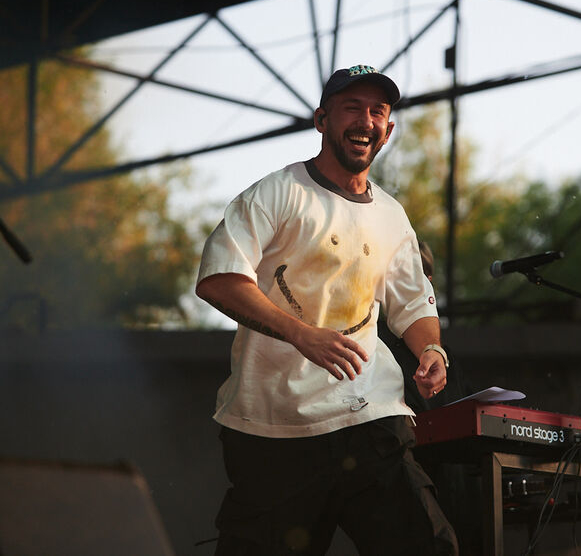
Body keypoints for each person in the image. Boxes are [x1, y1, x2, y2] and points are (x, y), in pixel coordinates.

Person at [196, 64, 459, 555]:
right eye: (351, 108)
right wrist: (301, 334)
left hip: (369, 415)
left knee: (428, 546)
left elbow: (412, 303)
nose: (365, 120)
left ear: (388, 130)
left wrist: (432, 351)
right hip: (273, 429)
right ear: (322, 120)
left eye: (377, 111)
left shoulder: (392, 215)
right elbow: (219, 279)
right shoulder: (278, 192)